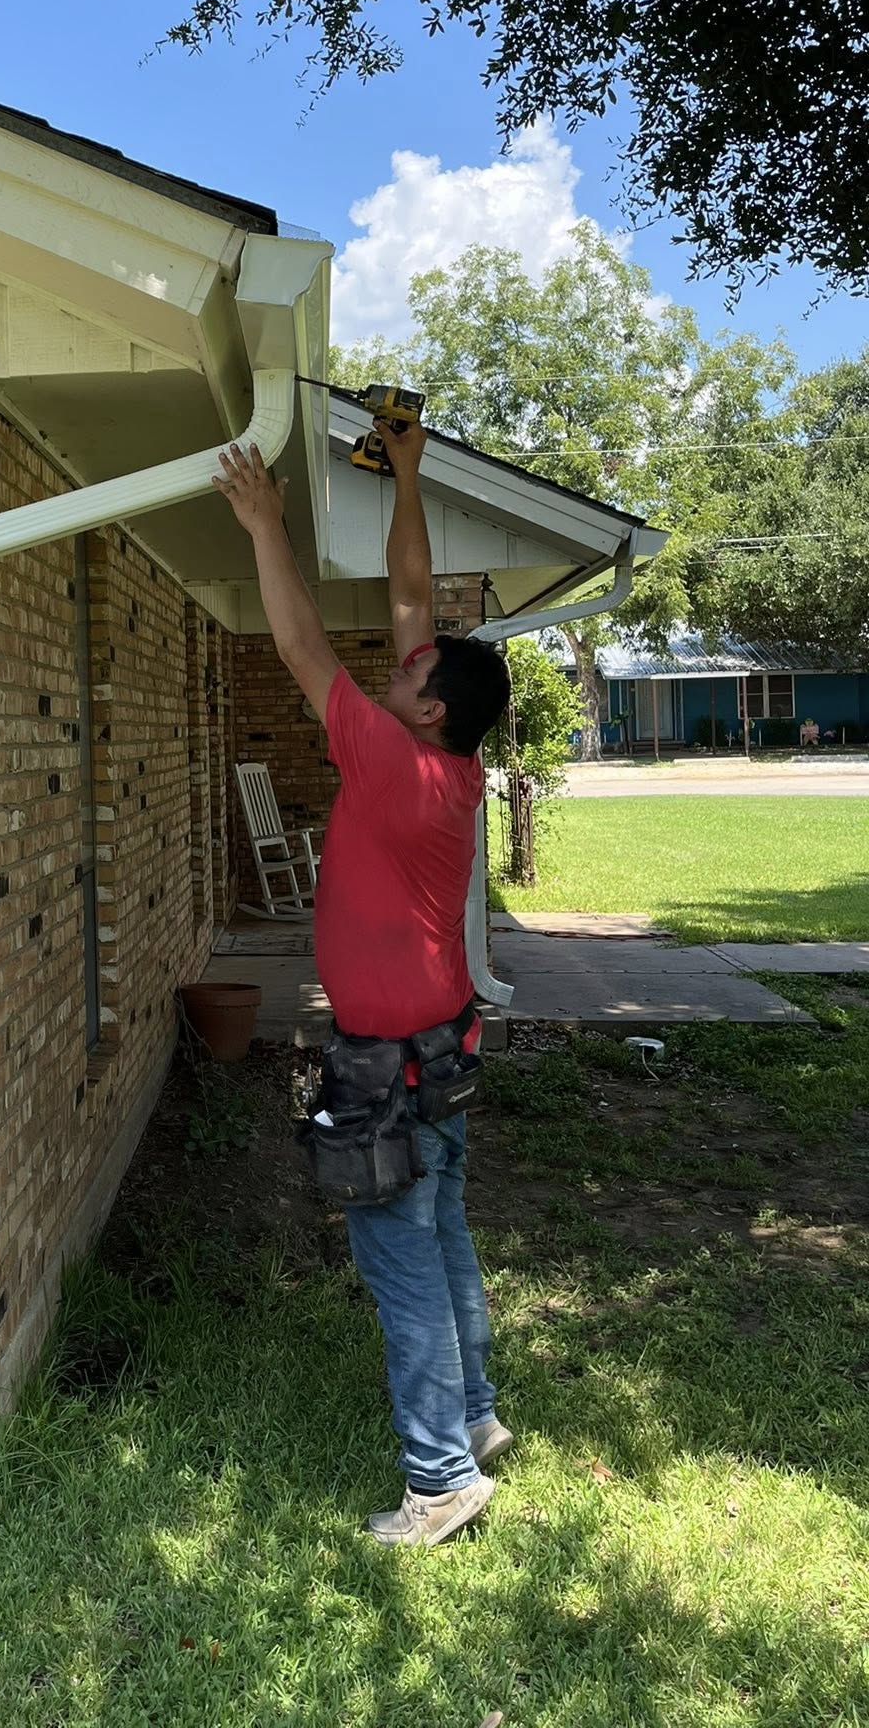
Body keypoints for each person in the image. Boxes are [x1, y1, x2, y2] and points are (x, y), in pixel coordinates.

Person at [214, 417, 512, 1548]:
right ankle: (475, 1420)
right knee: (442, 1237)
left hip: (390, 1066)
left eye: (416, 669)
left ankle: (440, 1480)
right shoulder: (452, 759)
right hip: (439, 1047)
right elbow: (413, 596)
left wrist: (263, 523)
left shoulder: (392, 762)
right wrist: (411, 474)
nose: (403, 658)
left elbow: (301, 650)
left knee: (403, 1267)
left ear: (428, 706)